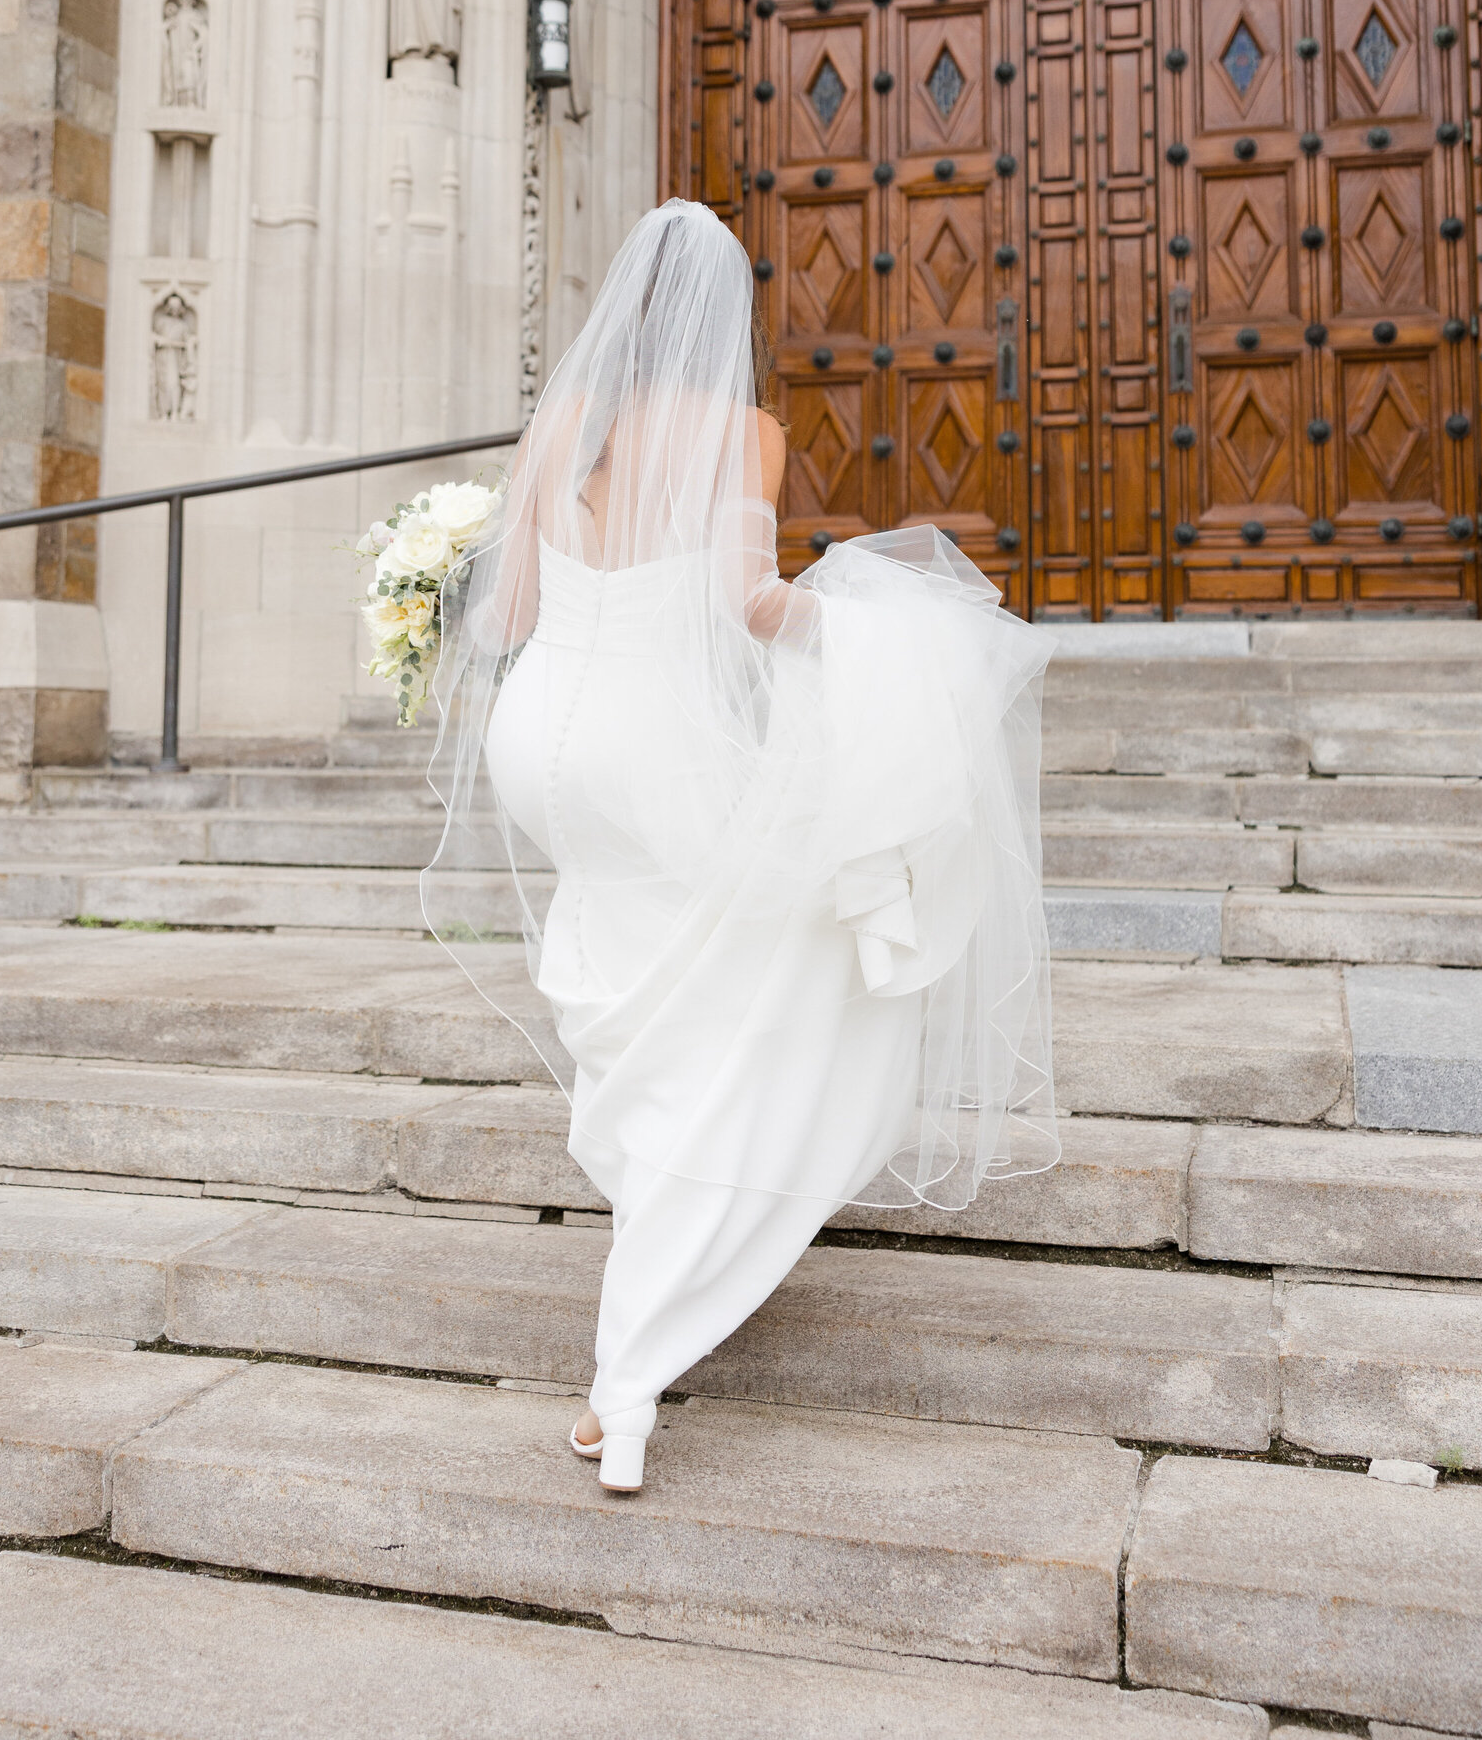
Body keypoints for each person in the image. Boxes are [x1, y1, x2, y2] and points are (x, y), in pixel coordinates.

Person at [422, 199, 1058, 1494]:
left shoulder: (562, 427)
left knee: (644, 987)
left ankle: (656, 1181)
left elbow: (510, 613)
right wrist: (885, 638)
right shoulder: (740, 432)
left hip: (543, 743)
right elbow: (749, 607)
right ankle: (630, 1379)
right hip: (648, 750)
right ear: (726, 319)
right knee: (795, 982)